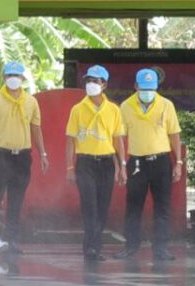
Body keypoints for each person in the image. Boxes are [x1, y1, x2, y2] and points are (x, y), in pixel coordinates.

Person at [117, 68, 185, 263]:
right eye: (144, 88)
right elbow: (120, 137)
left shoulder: (166, 105)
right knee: (133, 207)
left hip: (161, 161)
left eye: (151, 89)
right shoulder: (126, 106)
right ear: (136, 86)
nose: (148, 92)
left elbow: (174, 135)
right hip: (137, 162)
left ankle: (161, 248)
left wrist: (178, 162)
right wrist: (122, 164)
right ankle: (131, 247)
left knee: (162, 207)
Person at [0, 60, 44, 251]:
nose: (13, 79)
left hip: (22, 156)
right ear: (4, 77)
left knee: (16, 200)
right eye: (10, 76)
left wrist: (43, 153)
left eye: (16, 76)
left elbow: (36, 128)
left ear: (23, 78)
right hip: (1, 155)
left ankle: (12, 240)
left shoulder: (31, 102)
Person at [65, 65, 122, 262]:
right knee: (89, 205)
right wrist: (70, 167)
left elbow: (118, 140)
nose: (91, 84)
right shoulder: (77, 109)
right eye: (88, 80)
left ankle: (95, 248)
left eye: (95, 81)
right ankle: (89, 247)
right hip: (85, 163)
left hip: (107, 163)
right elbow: (70, 140)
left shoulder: (113, 110)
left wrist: (122, 166)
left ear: (104, 84)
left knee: (103, 207)